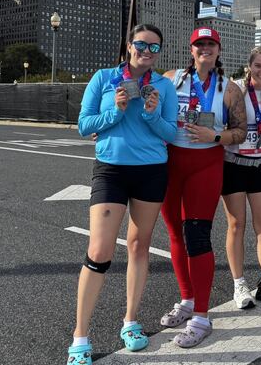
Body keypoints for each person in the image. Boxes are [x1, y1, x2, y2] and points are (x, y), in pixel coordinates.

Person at [68, 24, 178, 365]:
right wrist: (115, 110)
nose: (147, 51)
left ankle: (130, 321)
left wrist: (152, 114)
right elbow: (84, 125)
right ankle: (80, 336)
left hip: (151, 170)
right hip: (111, 170)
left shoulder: (163, 86)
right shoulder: (104, 78)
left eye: (155, 47)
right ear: (129, 45)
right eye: (141, 44)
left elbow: (171, 133)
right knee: (99, 250)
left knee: (139, 245)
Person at [160, 27, 247, 348]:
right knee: (174, 233)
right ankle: (186, 299)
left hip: (206, 165)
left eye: (211, 44)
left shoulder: (230, 88)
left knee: (197, 236)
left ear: (218, 50)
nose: (205, 49)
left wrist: (216, 136)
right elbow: (148, 111)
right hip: (171, 163)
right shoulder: (171, 79)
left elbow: (241, 131)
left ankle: (201, 316)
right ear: (191, 49)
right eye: (200, 44)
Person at [221, 46, 261, 318]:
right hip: (233, 165)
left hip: (260, 165)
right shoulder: (234, 89)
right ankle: (239, 285)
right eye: (258, 66)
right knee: (236, 225)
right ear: (249, 66)